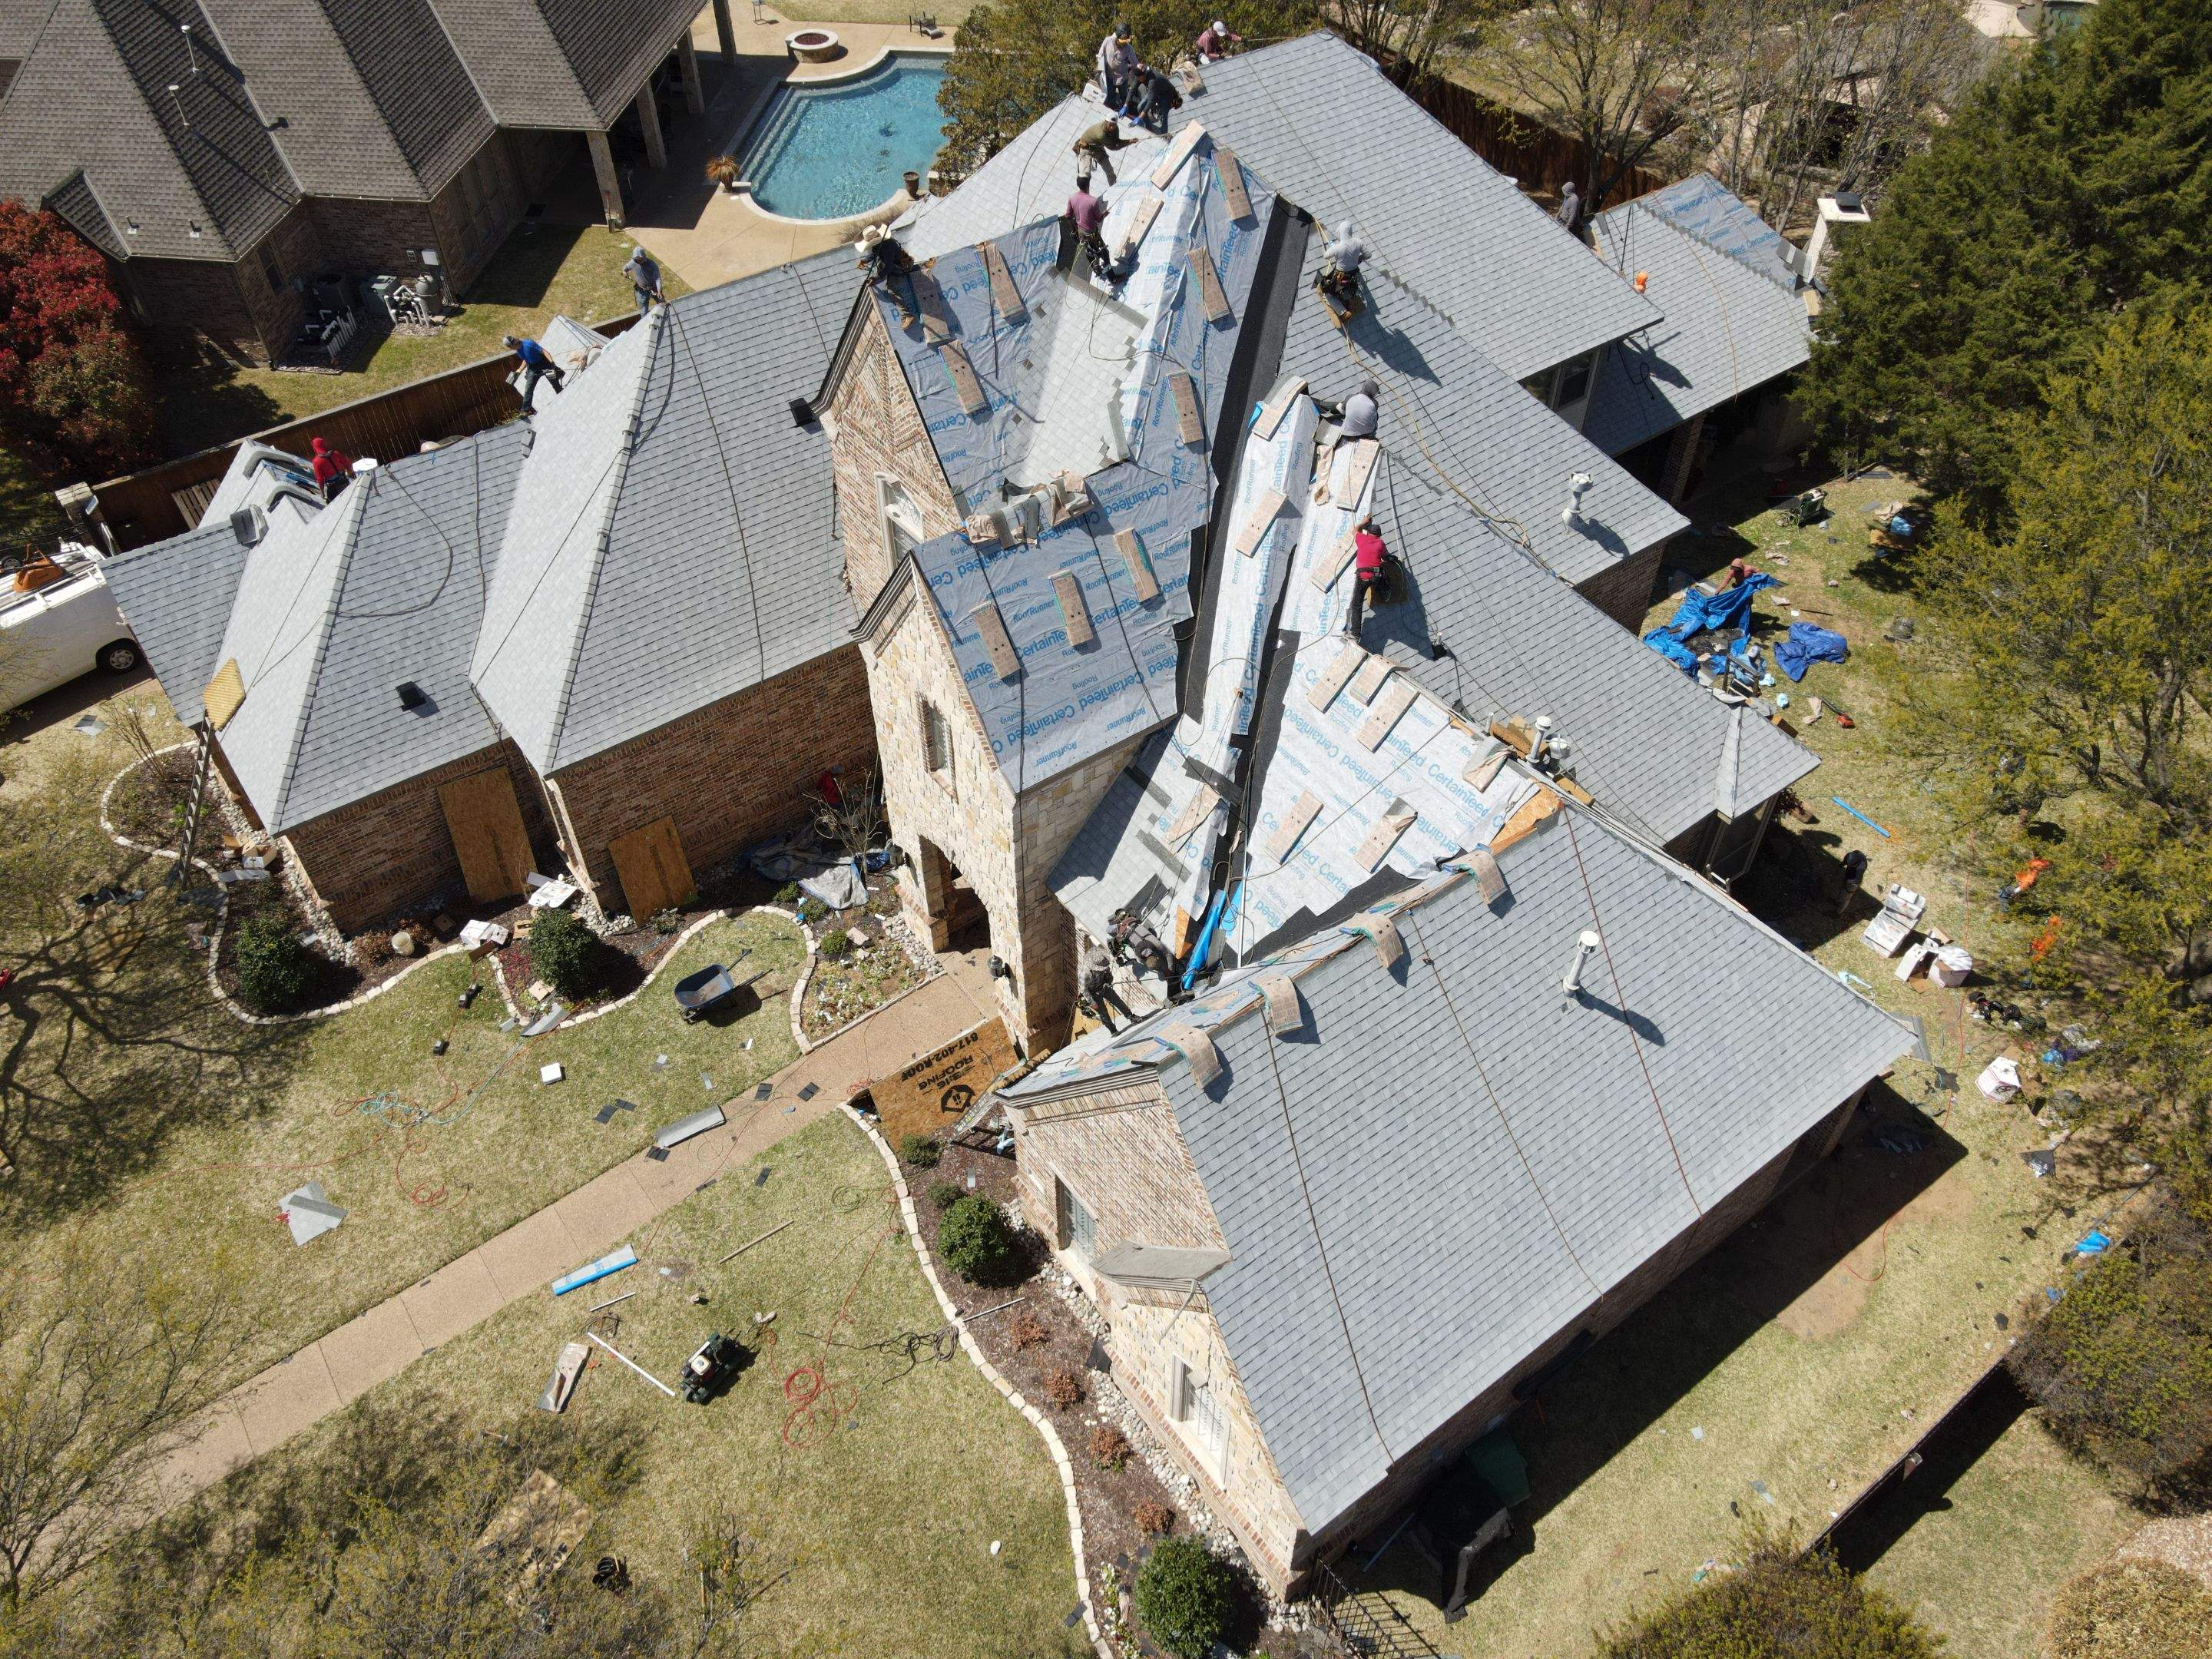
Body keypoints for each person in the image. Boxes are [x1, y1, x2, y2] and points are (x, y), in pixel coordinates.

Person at [1109, 909, 1177, 989]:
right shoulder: (1139, 957)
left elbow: (1168, 954)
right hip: (1128, 929)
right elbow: (1167, 954)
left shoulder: (1142, 955)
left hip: (1130, 927)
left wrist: (1170, 970)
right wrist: (1169, 970)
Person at [1079, 938, 1136, 1032]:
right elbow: (1084, 990)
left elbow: (1107, 970)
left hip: (1103, 987)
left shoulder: (1102, 961)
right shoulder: (1085, 974)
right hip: (1093, 994)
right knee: (1103, 1013)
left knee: (1118, 1002)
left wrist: (1108, 980)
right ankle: (1113, 1030)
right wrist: (1092, 1003)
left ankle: (1131, 1017)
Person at [1344, 517, 1386, 640]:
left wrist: (1364, 522)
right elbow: (1386, 556)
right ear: (1378, 535)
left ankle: (1355, 634)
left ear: (1368, 533)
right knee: (1381, 579)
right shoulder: (1380, 543)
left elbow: (1356, 530)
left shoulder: (1362, 538)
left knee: (1356, 604)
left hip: (1363, 577)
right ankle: (1383, 593)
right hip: (1376, 577)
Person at [1068, 180, 1115, 282]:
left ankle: (1097, 271)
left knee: (1089, 252)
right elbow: (1098, 219)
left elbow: (1068, 216)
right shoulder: (1092, 201)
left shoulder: (1072, 198)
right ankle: (1112, 278)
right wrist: (1104, 214)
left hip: (1081, 233)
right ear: (1088, 186)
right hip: (1092, 235)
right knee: (1104, 254)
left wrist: (1074, 231)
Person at [505, 334, 565, 410]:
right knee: (529, 388)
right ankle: (525, 410)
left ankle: (561, 394)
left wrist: (552, 362)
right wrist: (519, 371)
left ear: (512, 345)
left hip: (544, 364)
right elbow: (526, 360)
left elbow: (544, 351)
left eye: (510, 347)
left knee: (555, 384)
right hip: (533, 368)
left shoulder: (528, 344)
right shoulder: (518, 350)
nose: (510, 348)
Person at [1072, 117, 1136, 186]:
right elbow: (1113, 147)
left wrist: (1129, 141)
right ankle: (1083, 193)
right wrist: (1128, 142)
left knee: (1110, 171)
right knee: (1085, 175)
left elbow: (1116, 142)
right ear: (1106, 122)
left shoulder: (1115, 129)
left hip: (1097, 148)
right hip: (1085, 147)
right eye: (1110, 125)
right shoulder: (1101, 134)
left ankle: (1113, 188)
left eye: (1114, 125)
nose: (1112, 127)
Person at [1317, 221, 1367, 303]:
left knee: (1328, 288)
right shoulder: (1358, 242)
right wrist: (1359, 259)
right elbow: (1368, 255)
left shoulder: (1338, 247)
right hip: (1354, 272)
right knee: (1348, 285)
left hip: (1340, 273)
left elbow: (1326, 256)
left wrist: (1334, 248)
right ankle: (1349, 290)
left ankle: (1338, 294)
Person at [1126, 63, 1182, 133]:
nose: (1137, 80)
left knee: (1163, 116)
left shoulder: (1152, 80)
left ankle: (1164, 135)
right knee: (1140, 107)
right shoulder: (1140, 75)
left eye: (1138, 78)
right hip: (1155, 92)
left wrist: (1140, 117)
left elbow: (1151, 101)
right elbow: (1132, 90)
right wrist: (1125, 105)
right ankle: (1149, 128)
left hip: (1166, 95)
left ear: (1143, 75)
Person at [1098, 22, 1138, 114]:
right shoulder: (1108, 41)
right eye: (1122, 42)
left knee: (1124, 96)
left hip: (1121, 78)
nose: (1124, 44)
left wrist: (1140, 67)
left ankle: (1127, 112)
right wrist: (1099, 68)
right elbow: (1100, 55)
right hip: (1108, 76)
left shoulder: (1128, 49)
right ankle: (1112, 112)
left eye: (1126, 41)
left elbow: (1135, 63)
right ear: (1117, 38)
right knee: (1110, 97)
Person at [621, 247, 665, 315]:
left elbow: (657, 279)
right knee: (644, 314)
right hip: (642, 290)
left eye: (640, 260)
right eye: (636, 260)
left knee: (663, 307)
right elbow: (625, 268)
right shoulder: (633, 263)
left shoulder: (652, 265)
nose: (638, 262)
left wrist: (659, 291)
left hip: (655, 289)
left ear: (643, 257)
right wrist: (624, 272)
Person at [310, 435, 354, 501]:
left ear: (315, 447)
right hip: (344, 482)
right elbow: (347, 464)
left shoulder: (316, 461)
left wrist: (322, 492)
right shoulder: (336, 453)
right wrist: (349, 472)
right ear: (324, 444)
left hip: (333, 488)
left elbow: (320, 479)